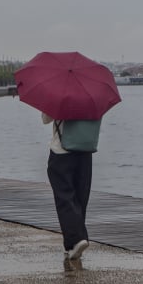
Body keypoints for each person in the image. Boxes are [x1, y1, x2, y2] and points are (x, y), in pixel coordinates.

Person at [43, 112, 92, 261]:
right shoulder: (88, 95)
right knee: (80, 195)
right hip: (84, 150)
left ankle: (76, 239)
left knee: (64, 196)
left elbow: (46, 119)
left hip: (61, 151)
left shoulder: (58, 93)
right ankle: (72, 244)